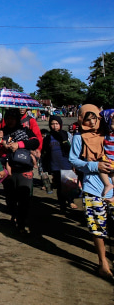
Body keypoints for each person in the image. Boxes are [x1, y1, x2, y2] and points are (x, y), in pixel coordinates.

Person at [68, 105, 114, 280]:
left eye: (95, 117)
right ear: (81, 119)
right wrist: (94, 165)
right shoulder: (79, 136)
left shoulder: (108, 131)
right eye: (87, 119)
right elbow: (73, 159)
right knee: (97, 228)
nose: (92, 122)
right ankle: (103, 263)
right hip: (93, 188)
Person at [0, 108, 40, 235]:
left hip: (24, 168)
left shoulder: (25, 131)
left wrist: (19, 144)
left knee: (24, 198)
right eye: (8, 118)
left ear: (17, 119)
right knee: (10, 198)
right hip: (7, 169)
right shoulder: (1, 132)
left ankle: (21, 223)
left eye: (12, 118)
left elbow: (35, 141)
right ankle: (14, 215)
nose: (10, 121)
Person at [41, 115, 76, 213]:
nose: (55, 126)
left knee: (69, 185)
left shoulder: (66, 135)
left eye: (56, 124)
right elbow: (45, 153)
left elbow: (73, 149)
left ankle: (70, 201)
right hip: (55, 165)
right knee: (60, 187)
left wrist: (74, 164)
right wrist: (45, 166)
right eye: (52, 124)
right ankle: (62, 204)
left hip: (66, 163)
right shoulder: (48, 138)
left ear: (60, 124)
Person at [99, 109, 114, 199]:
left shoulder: (108, 133)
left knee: (102, 169)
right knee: (112, 175)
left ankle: (107, 184)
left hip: (108, 159)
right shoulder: (107, 133)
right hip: (109, 158)